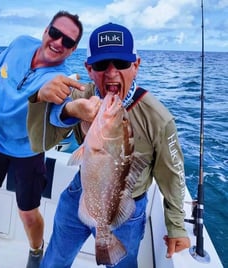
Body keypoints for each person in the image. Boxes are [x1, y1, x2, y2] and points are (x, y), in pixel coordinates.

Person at [27, 22, 191, 267]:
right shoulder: (81, 96)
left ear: (136, 66)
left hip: (127, 206)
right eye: (102, 65)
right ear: (89, 69)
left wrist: (176, 225)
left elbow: (172, 174)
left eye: (122, 63)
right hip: (80, 193)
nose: (112, 72)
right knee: (56, 257)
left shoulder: (158, 117)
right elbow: (38, 139)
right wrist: (46, 99)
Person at [0, 10, 83, 268]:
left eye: (68, 42)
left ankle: (36, 251)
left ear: (72, 50)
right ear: (45, 30)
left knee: (27, 213)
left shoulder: (59, 79)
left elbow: (61, 113)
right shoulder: (19, 44)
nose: (59, 42)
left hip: (28, 151)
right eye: (55, 33)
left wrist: (73, 112)